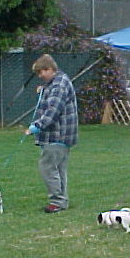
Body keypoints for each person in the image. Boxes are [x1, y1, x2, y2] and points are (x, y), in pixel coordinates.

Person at [25, 54, 78, 213]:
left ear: (50, 69)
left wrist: (36, 126)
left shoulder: (59, 85)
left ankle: (56, 201)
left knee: (47, 168)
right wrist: (44, 89)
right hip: (63, 136)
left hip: (57, 135)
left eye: (41, 73)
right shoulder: (56, 83)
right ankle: (61, 200)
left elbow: (52, 111)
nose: (40, 77)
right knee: (58, 169)